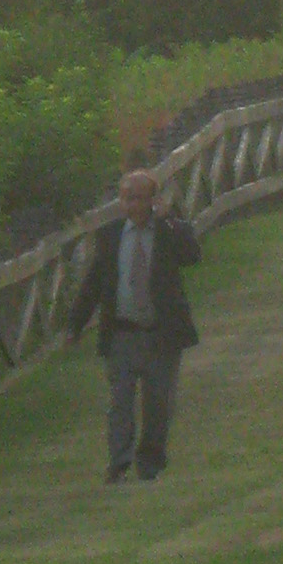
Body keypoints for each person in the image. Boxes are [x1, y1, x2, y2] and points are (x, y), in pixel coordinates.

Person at [69, 166, 202, 484]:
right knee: (120, 401)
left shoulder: (169, 231)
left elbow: (192, 256)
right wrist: (75, 324)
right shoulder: (111, 235)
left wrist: (168, 218)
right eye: (128, 199)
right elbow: (94, 282)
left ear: (154, 200)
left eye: (141, 199)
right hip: (122, 333)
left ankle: (150, 461)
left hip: (161, 333)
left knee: (158, 401)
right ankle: (118, 461)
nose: (134, 206)